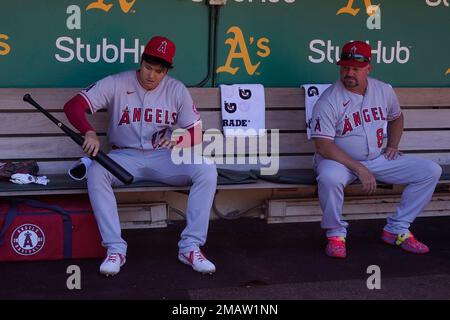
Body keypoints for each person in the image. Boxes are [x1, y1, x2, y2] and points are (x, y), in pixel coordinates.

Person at [64, 35, 218, 275]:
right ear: (141, 60)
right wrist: (89, 132)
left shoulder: (176, 89)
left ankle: (190, 247)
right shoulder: (117, 82)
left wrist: (179, 139)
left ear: (166, 70)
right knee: (96, 172)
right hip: (124, 157)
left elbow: (196, 133)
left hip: (163, 157)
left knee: (206, 168)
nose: (151, 75)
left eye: (159, 70)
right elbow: (73, 106)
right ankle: (115, 249)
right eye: (148, 67)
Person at [310, 40, 442, 259]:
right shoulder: (328, 100)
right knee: (329, 177)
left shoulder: (383, 90)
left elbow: (397, 117)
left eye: (355, 68)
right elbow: (323, 146)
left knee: (430, 171)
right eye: (345, 67)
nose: (349, 73)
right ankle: (335, 235)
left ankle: (396, 229)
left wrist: (393, 145)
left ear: (368, 68)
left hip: (376, 158)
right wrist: (359, 169)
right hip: (339, 162)